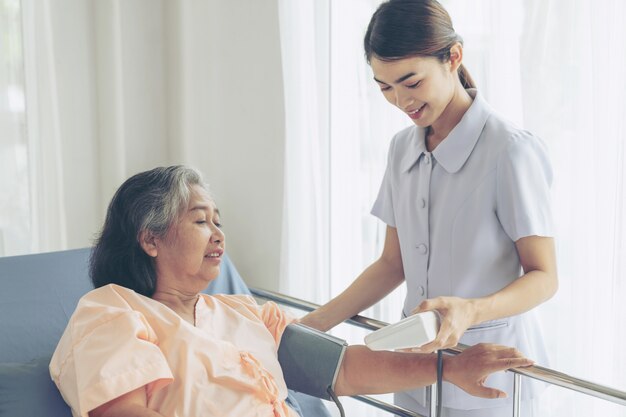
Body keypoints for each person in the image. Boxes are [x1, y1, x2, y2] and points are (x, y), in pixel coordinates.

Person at [50, 165, 533, 417]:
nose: (219, 234)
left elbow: (346, 369)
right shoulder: (113, 309)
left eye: (220, 221)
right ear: (150, 238)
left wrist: (449, 368)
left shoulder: (246, 312)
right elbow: (123, 413)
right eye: (200, 221)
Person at [300, 1, 558, 416]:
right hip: (415, 370)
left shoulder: (509, 150)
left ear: (453, 57)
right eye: (384, 87)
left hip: (489, 378)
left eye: (411, 82)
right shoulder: (401, 149)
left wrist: (471, 309)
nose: (401, 100)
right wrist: (310, 327)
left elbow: (544, 277)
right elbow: (391, 264)